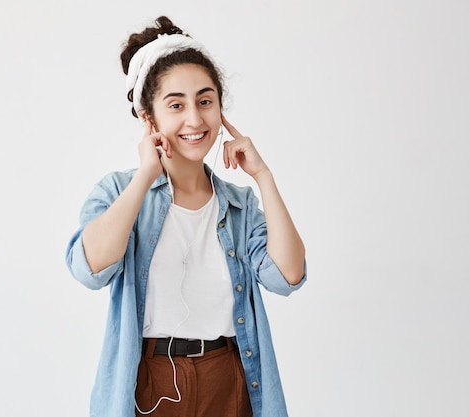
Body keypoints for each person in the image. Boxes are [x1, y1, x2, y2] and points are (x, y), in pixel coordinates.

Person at [66, 16, 307, 417]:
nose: (195, 119)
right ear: (149, 117)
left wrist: (263, 176)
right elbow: (88, 269)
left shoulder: (240, 205)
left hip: (229, 376)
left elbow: (288, 276)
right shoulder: (118, 192)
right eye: (176, 105)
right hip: (149, 381)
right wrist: (146, 174)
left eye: (205, 101)